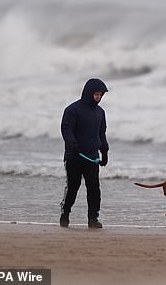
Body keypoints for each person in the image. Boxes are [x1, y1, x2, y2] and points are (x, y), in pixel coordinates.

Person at [59, 78, 110, 228]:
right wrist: (72, 144)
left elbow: (102, 133)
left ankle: (93, 219)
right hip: (74, 156)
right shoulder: (72, 110)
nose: (98, 97)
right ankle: (65, 213)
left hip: (92, 157)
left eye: (100, 94)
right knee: (73, 187)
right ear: (88, 93)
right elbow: (66, 129)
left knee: (94, 188)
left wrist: (105, 151)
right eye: (96, 94)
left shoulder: (100, 112)